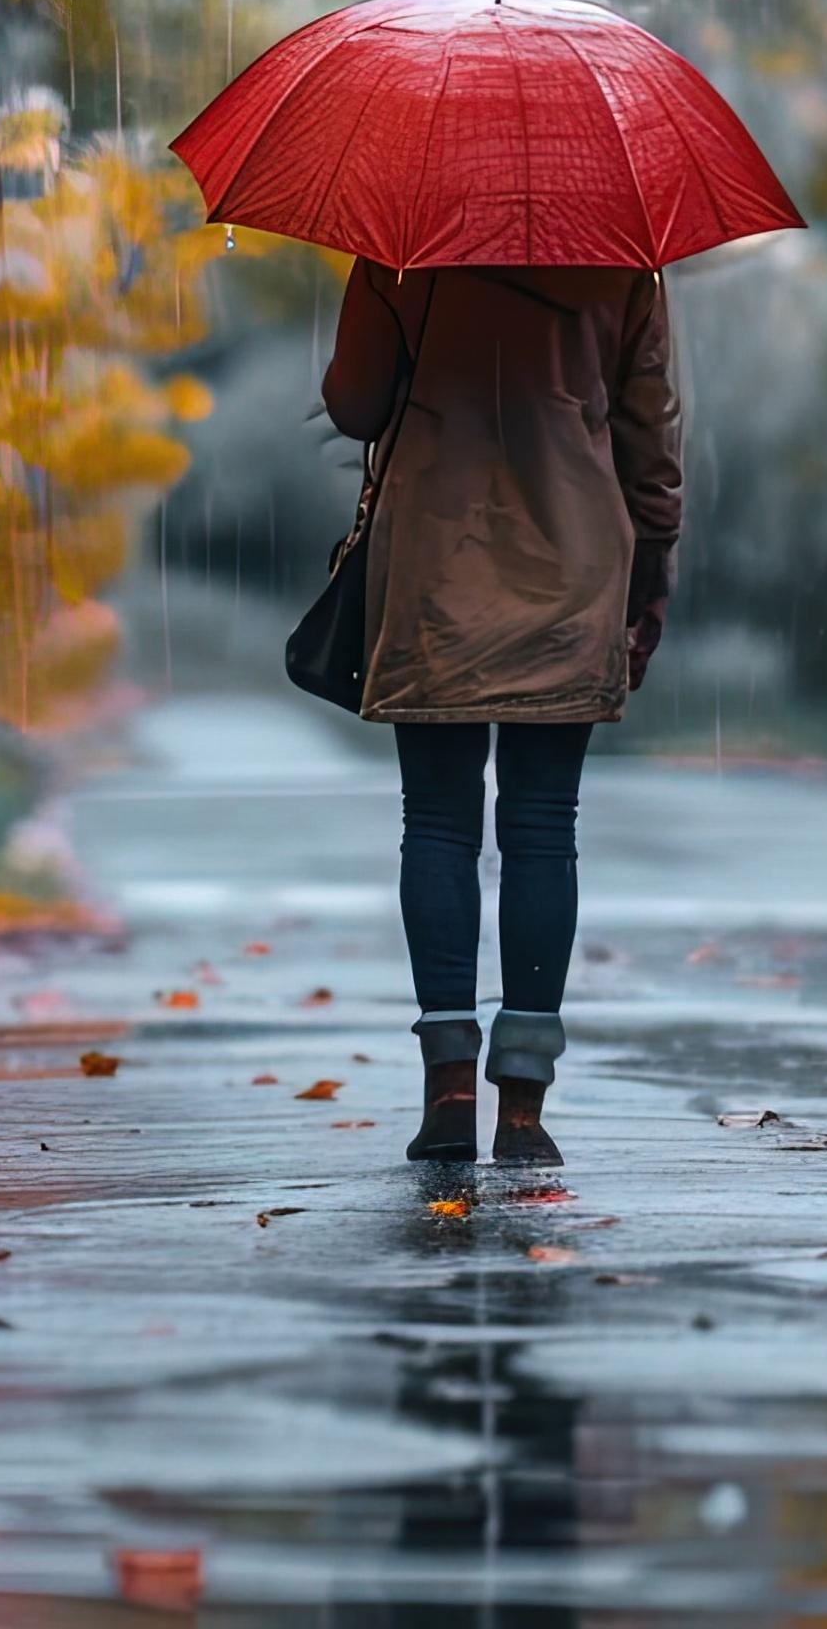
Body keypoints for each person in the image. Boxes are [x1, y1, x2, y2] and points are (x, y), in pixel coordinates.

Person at [320, 256, 681, 1166]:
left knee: (437, 826)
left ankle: (447, 1092)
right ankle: (523, 1106)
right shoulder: (621, 263)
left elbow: (356, 407)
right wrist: (652, 569)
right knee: (542, 830)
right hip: (573, 560)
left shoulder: (401, 250)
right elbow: (651, 435)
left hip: (439, 561)